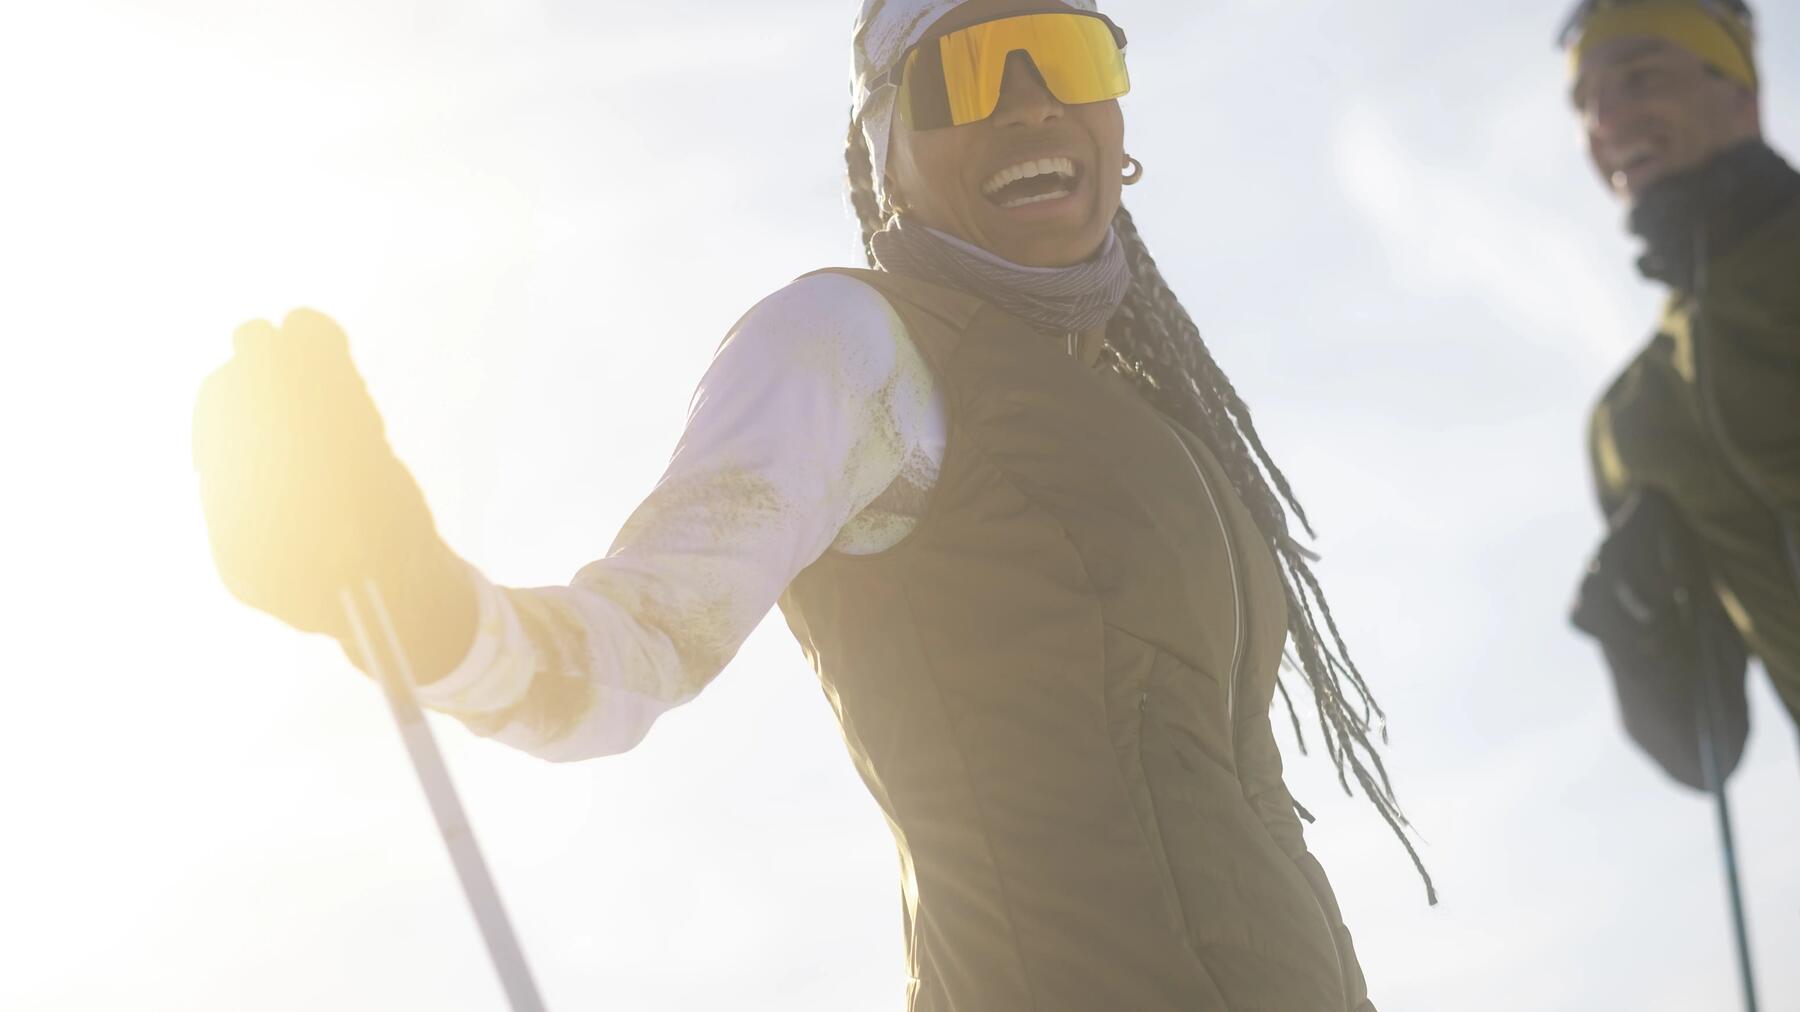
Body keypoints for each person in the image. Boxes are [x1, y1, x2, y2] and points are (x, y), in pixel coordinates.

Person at [194, 1, 1429, 1007]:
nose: (1030, 100)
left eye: (1064, 52)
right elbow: (633, 649)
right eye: (962, 73)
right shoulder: (853, 347)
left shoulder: (1150, 419)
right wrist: (415, 607)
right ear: (883, 149)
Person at [1562, 0, 1800, 788]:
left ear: (1740, 92)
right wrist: (1634, 625)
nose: (1609, 116)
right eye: (1585, 100)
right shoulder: (1634, 418)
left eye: (1640, 76)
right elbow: (1704, 746)